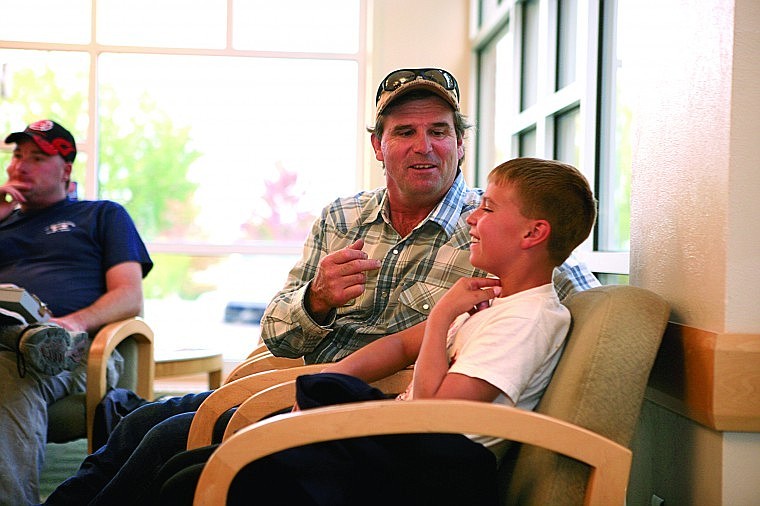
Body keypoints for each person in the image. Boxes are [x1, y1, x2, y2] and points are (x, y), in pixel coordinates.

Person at [44, 68, 600, 505]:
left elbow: (556, 277)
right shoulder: (343, 217)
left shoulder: (492, 230)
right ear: (379, 146)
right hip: (302, 384)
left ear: (460, 144)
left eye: (440, 131)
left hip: (377, 421)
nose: (423, 146)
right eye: (404, 132)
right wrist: (317, 301)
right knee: (143, 419)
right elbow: (278, 334)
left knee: (169, 446)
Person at [157, 156, 598, 505]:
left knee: (191, 482)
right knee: (186, 465)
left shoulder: (525, 320)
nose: (471, 219)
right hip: (396, 446)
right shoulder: (493, 299)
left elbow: (437, 420)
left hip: (419, 474)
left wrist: (442, 315)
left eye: (487, 208)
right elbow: (403, 344)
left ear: (534, 233)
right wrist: (320, 388)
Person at [0, 119, 153, 505]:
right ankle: (25, 339)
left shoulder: (101, 214)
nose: (20, 165)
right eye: (17, 155)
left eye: (37, 157)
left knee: (14, 368)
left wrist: (70, 323)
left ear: (65, 170)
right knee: (14, 353)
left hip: (73, 348)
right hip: (10, 332)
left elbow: (129, 296)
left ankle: (36, 339)